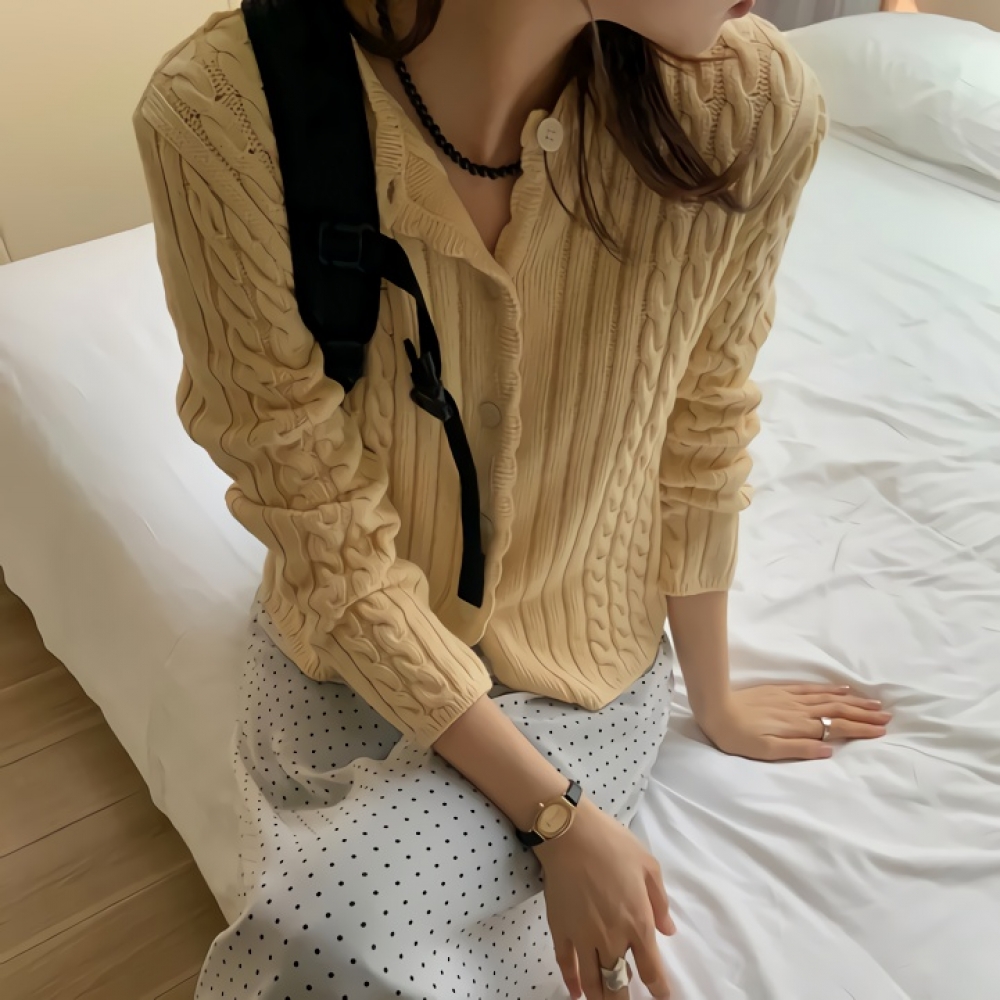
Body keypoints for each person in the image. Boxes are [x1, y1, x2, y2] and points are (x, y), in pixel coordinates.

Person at [132, 1, 892, 997]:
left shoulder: (747, 104)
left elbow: (703, 418)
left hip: (582, 670)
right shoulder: (224, 114)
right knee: (323, 938)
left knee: (328, 933)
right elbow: (317, 522)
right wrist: (557, 818)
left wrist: (713, 696)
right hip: (352, 662)